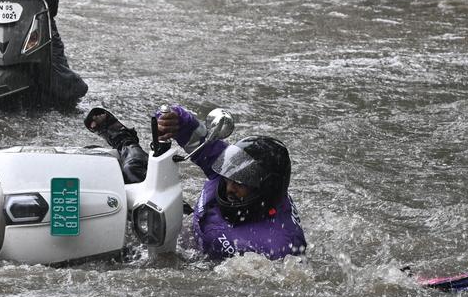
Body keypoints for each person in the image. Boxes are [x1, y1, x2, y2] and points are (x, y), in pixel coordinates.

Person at [85, 105, 307, 261]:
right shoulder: (226, 167)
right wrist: (173, 119)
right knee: (135, 172)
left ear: (264, 190)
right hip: (185, 225)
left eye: (240, 184)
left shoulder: (279, 246)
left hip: (190, 259)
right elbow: (194, 134)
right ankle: (125, 140)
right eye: (228, 177)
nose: (228, 187)